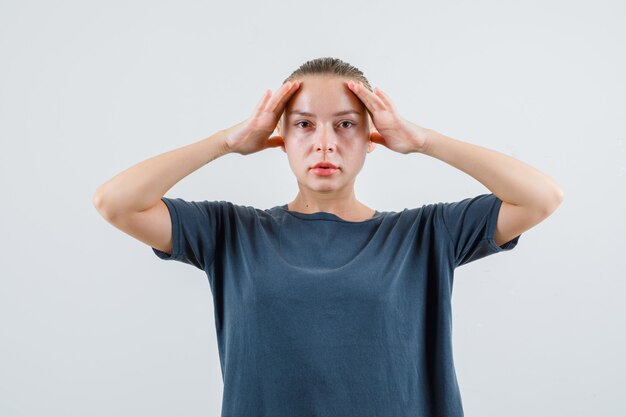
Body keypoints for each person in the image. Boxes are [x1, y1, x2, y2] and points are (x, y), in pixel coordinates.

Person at [93, 57, 564, 417]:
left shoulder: (425, 235)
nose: (324, 143)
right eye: (303, 124)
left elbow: (540, 197)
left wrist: (423, 141)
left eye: (344, 125)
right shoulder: (230, 233)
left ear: (371, 137)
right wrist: (226, 141)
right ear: (279, 135)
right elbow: (116, 202)